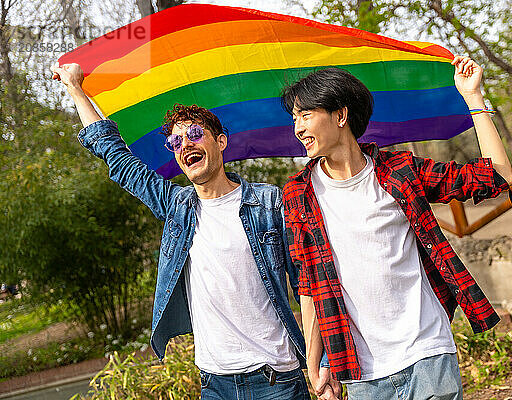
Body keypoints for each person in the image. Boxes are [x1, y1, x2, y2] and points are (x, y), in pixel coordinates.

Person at [50, 62, 337, 400]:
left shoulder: (270, 203)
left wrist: (325, 366)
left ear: (221, 141)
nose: (185, 144)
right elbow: (115, 155)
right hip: (213, 385)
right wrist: (74, 87)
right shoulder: (178, 207)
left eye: (195, 134)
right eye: (176, 141)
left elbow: (312, 283)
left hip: (278, 382)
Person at [280, 56, 512, 400]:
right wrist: (317, 364)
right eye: (294, 118)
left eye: (306, 115)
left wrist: (474, 98)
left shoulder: (400, 172)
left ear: (340, 115)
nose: (298, 128)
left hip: (427, 354)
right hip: (362, 372)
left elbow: (498, 177)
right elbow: (309, 283)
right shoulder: (299, 193)